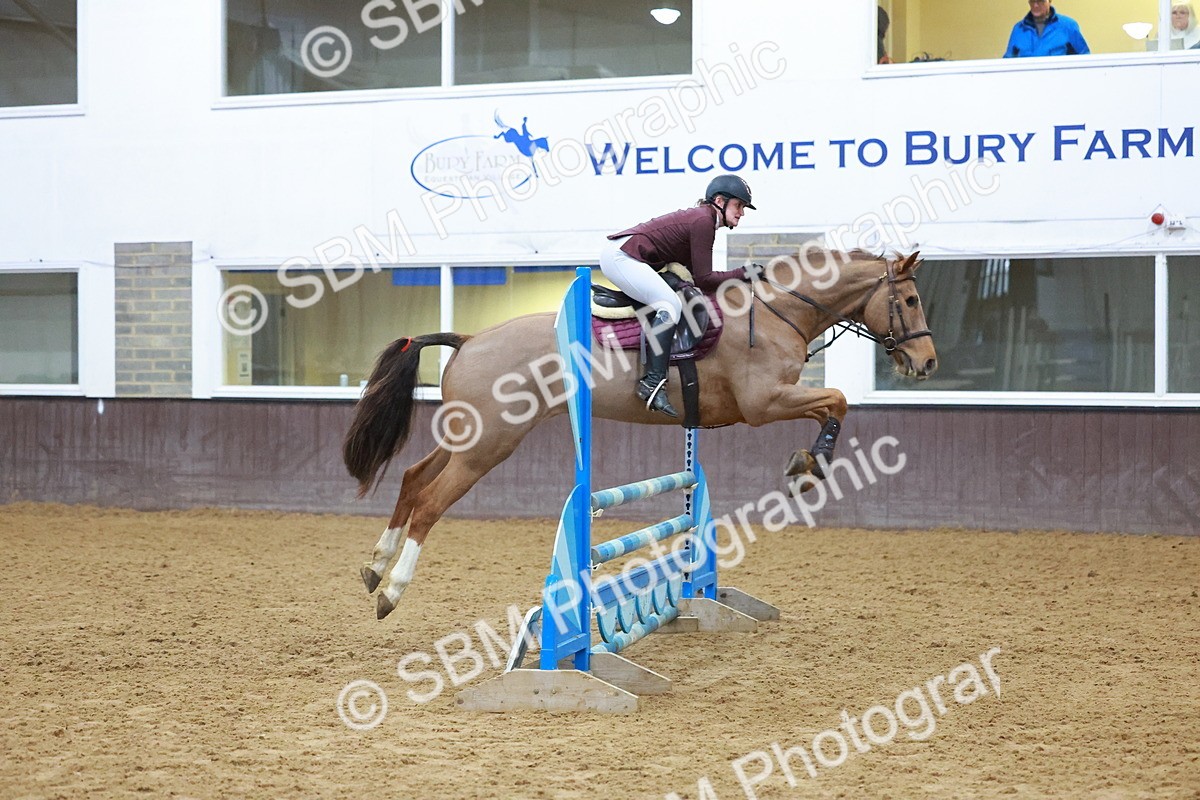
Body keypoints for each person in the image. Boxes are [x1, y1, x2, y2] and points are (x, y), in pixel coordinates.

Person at [601, 175, 755, 417]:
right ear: (719, 201)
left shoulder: (704, 219)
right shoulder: (703, 221)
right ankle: (652, 382)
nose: (741, 213)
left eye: (743, 207)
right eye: (738, 205)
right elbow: (705, 279)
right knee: (669, 305)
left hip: (625, 256)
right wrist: (744, 273)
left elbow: (695, 277)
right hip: (622, 257)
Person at [1004, 1, 1090, 58]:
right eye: (1032, 1)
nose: (1035, 5)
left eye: (1040, 1)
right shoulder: (1018, 30)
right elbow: (1007, 64)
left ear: (1049, 1)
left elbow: (1084, 60)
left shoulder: (1068, 26)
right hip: (1027, 80)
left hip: (1060, 79)